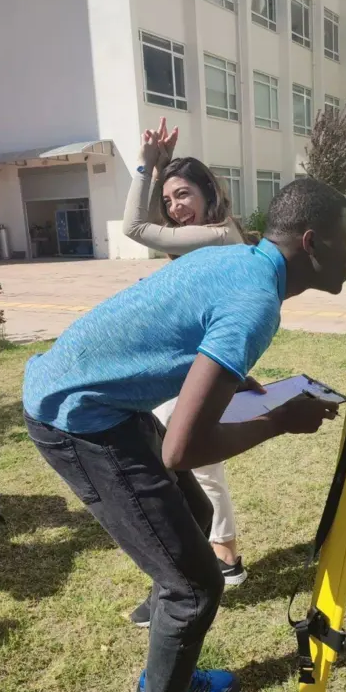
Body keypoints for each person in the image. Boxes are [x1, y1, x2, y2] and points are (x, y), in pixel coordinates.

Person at [22, 167, 346, 692]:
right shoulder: (255, 300)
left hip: (96, 399)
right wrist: (281, 420)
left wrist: (239, 383)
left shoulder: (241, 260)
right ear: (311, 242)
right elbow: (182, 449)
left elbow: (184, 332)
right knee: (194, 586)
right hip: (76, 418)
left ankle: (167, 674)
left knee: (197, 516)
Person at [123, 121, 250, 632]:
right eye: (170, 199)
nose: (175, 207)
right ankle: (216, 556)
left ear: (209, 194)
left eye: (185, 195)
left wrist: (145, 165)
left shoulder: (218, 235)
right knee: (185, 466)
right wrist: (158, 173)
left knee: (193, 465)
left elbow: (135, 228)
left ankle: (217, 559)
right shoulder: (198, 239)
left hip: (202, 367)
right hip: (183, 367)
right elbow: (155, 225)